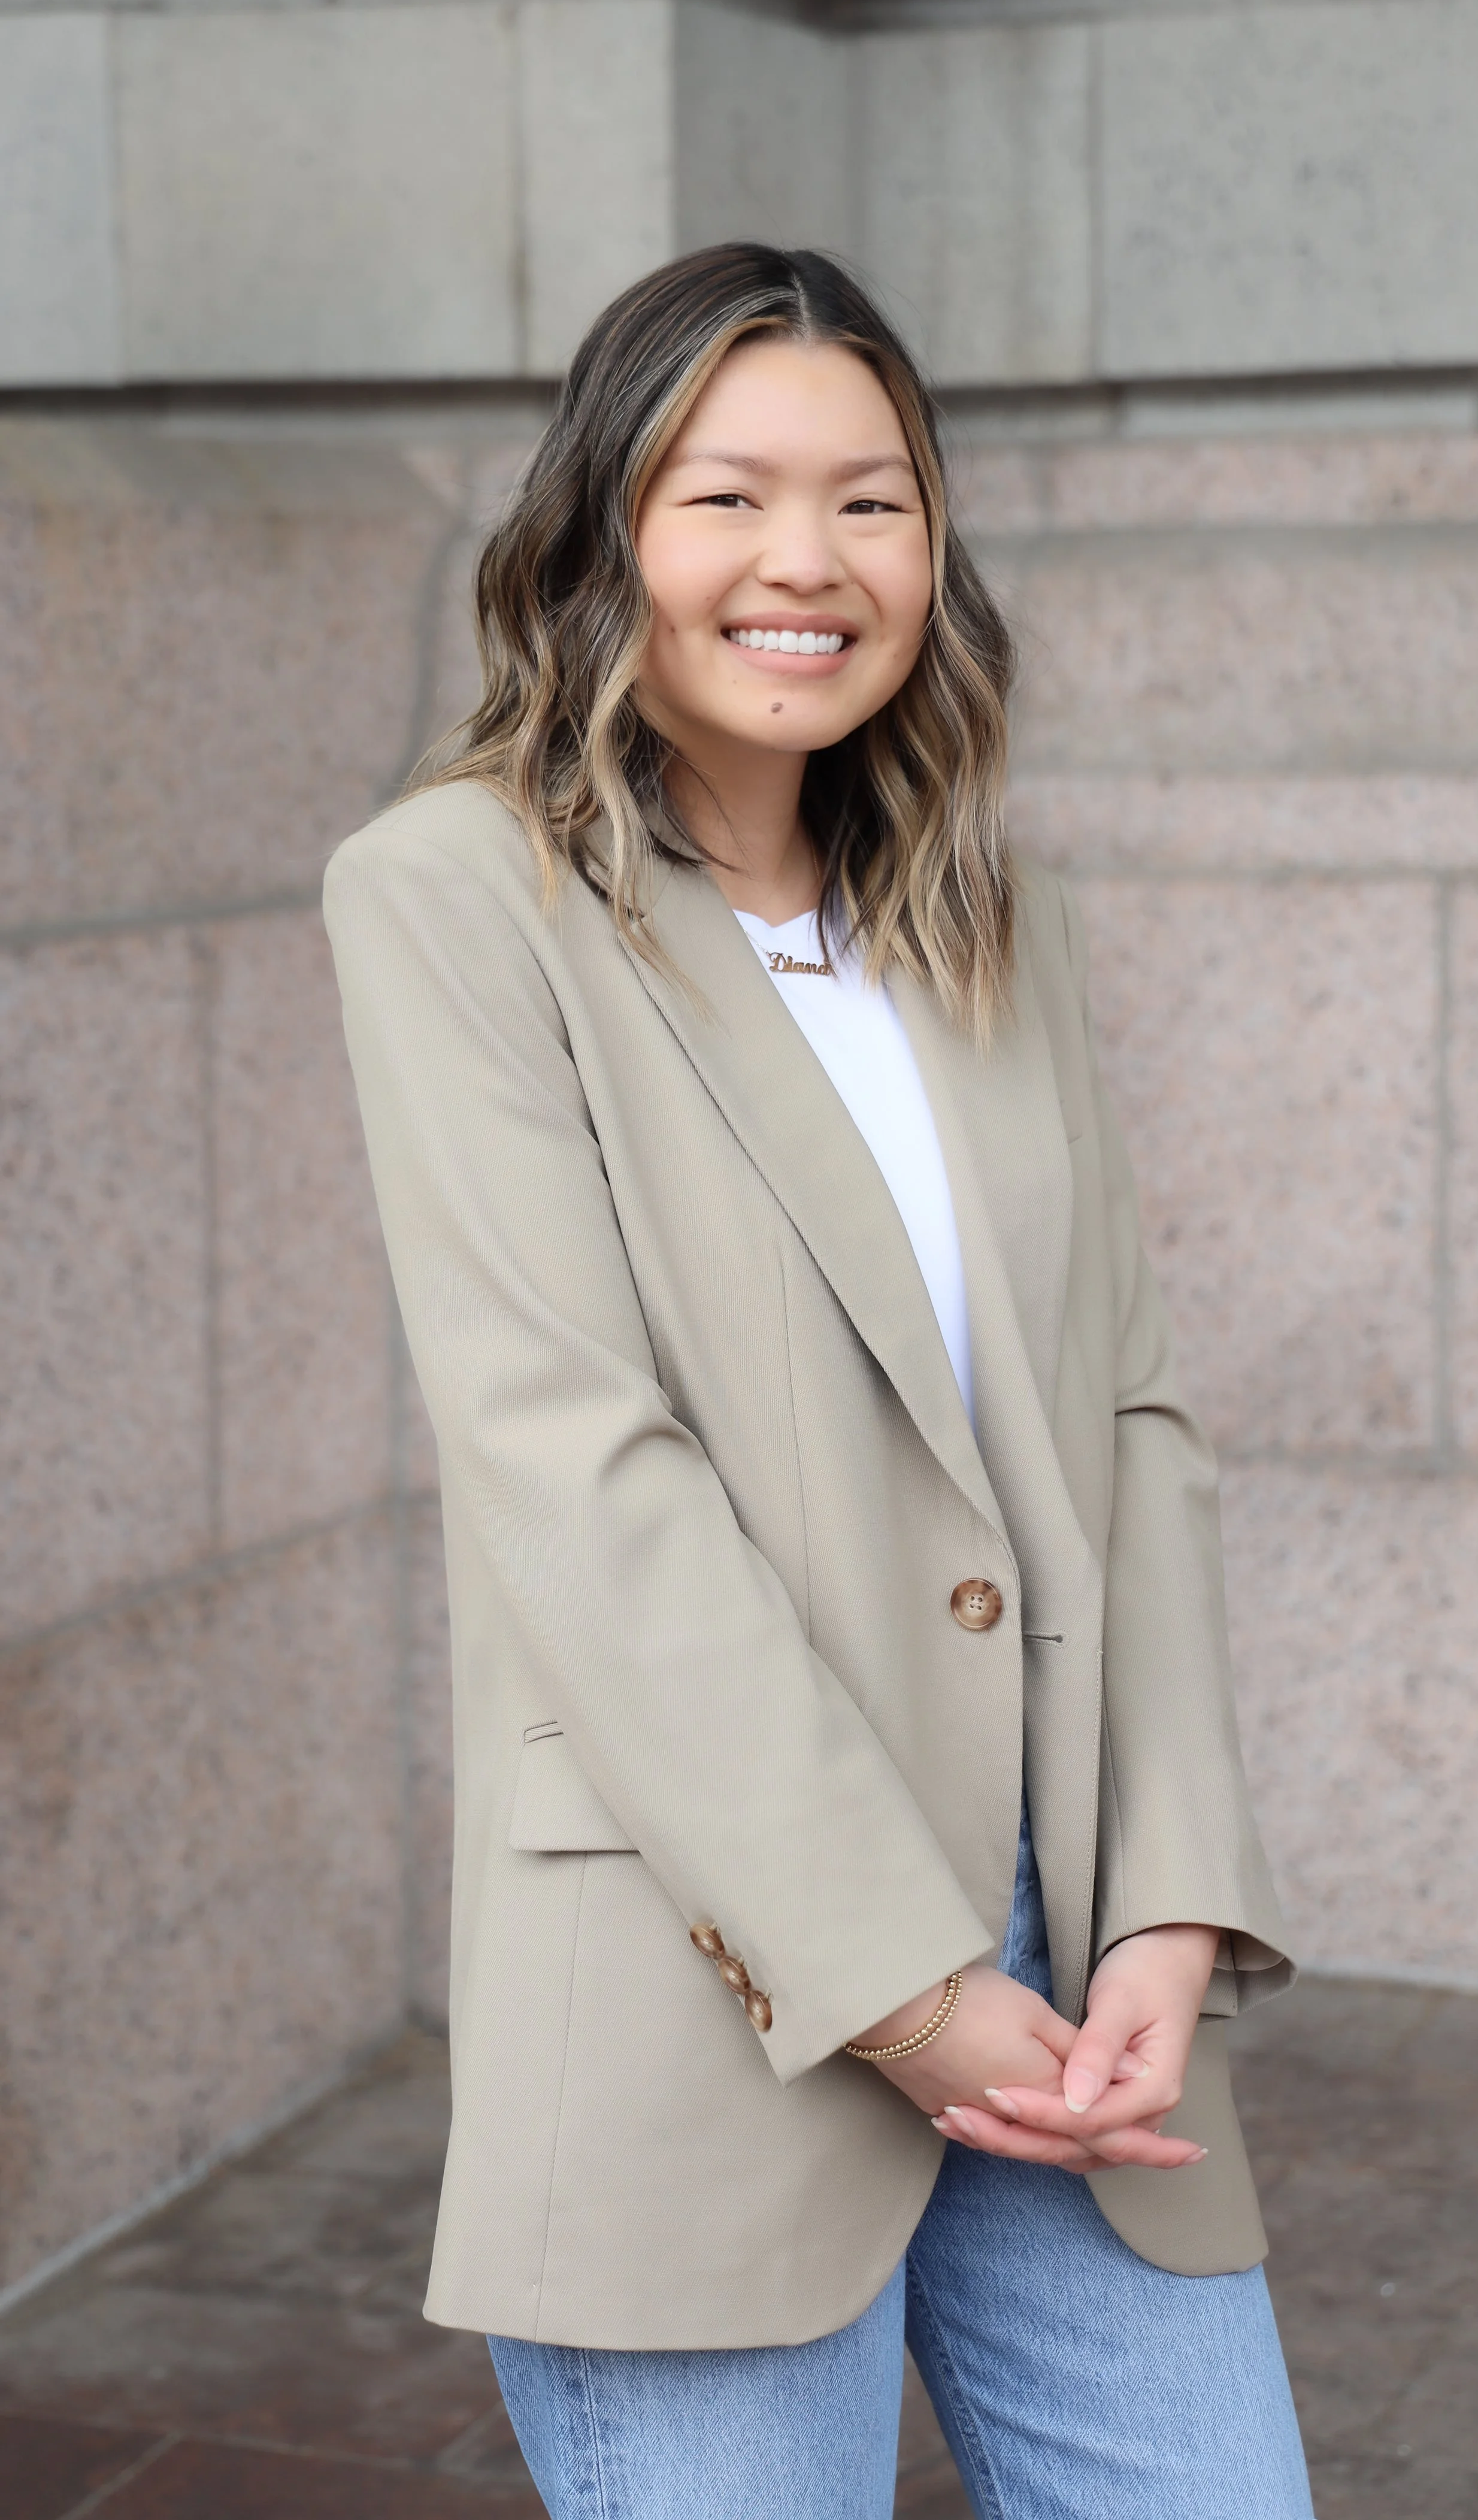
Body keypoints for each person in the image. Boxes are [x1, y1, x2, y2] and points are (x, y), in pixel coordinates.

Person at [324, 244, 1313, 2520]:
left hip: (1073, 1965)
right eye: (724, 496)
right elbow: (572, 1467)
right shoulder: (459, 896)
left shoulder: (988, 915)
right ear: (602, 539)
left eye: (871, 501)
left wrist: (1169, 1888)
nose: (805, 563)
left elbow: (1127, 1421)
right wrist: (898, 1977)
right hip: (723, 1961)